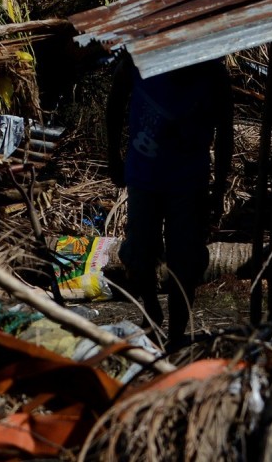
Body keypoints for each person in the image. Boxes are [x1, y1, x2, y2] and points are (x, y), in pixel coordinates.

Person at [108, 55, 233, 346]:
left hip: (189, 182)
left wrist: (219, 188)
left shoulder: (211, 71)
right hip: (143, 176)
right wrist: (113, 155)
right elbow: (115, 104)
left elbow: (226, 131)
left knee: (185, 260)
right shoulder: (139, 58)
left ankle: (176, 334)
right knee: (139, 253)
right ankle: (151, 313)